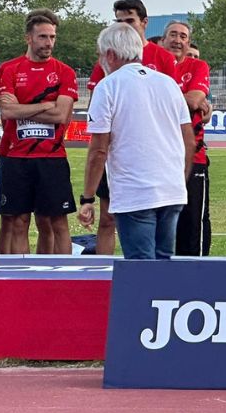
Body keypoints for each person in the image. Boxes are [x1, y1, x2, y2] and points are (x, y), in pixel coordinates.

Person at [77, 23, 194, 260]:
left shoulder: (108, 86)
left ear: (110, 54)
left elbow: (98, 149)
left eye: (101, 55)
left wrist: (88, 197)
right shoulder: (168, 84)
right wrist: (179, 180)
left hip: (135, 192)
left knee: (141, 265)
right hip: (171, 189)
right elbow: (189, 141)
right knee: (163, 262)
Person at [0, 10, 79, 254]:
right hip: (15, 157)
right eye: (43, 36)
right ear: (28, 38)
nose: (49, 42)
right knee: (19, 221)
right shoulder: (10, 69)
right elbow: (7, 112)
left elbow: (61, 115)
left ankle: (62, 276)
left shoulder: (64, 72)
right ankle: (23, 275)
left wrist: (23, 109)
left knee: (58, 222)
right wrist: (45, 105)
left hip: (51, 158)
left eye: (52, 37)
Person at [164, 20, 214, 256]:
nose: (177, 40)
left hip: (193, 156)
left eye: (183, 36)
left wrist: (158, 96)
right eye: (173, 35)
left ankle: (197, 276)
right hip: (159, 156)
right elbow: (191, 100)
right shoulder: (152, 67)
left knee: (193, 222)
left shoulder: (198, 66)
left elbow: (195, 100)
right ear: (163, 40)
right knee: (161, 222)